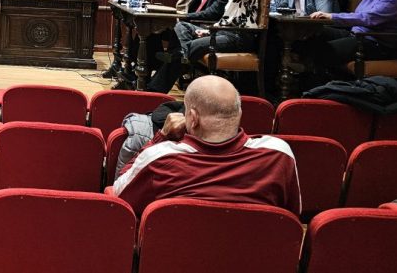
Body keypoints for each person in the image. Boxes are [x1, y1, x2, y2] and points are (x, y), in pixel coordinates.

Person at [112, 76, 300, 217]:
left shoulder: (159, 157)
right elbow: (291, 216)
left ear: (192, 118)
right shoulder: (280, 154)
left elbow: (119, 195)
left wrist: (160, 137)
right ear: (239, 113)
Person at [146, 0, 260, 94]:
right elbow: (227, 20)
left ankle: (157, 86)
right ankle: (179, 59)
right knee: (182, 27)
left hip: (238, 37)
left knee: (186, 49)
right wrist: (209, 31)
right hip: (223, 32)